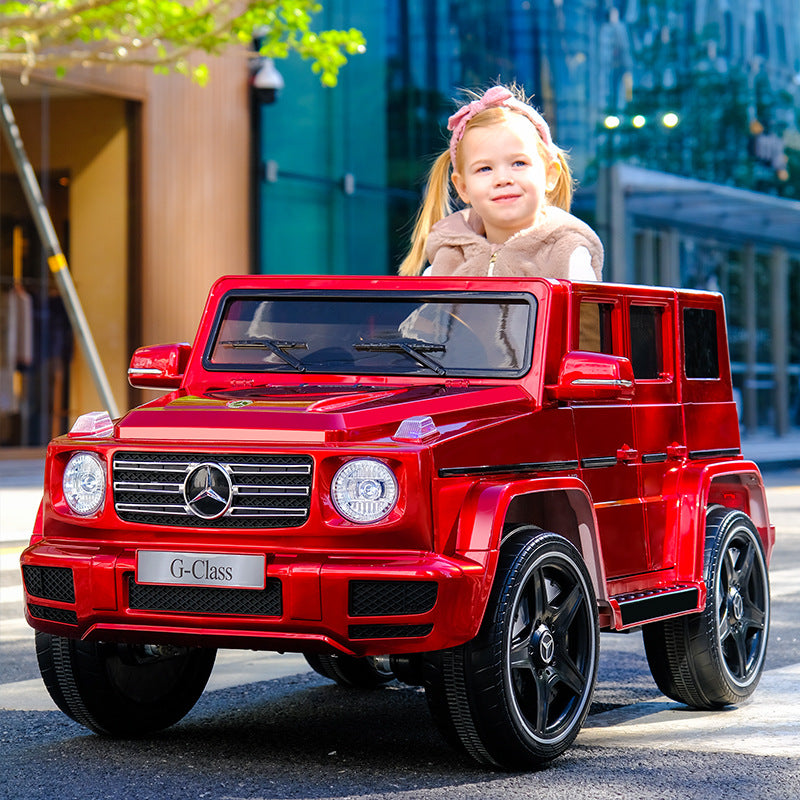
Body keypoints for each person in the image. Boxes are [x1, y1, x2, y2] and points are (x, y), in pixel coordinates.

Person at [398, 84, 603, 280]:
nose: (503, 179)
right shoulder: (445, 263)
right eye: (484, 168)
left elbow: (584, 317)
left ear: (550, 175)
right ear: (462, 187)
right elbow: (430, 318)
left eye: (519, 163)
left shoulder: (569, 255)